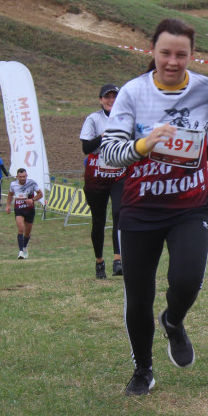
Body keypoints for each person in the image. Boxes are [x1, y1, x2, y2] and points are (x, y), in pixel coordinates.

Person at [100, 18, 208, 395]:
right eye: (165, 53)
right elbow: (109, 154)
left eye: (181, 54)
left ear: (192, 55)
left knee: (187, 279)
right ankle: (143, 370)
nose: (173, 61)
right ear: (153, 52)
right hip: (139, 210)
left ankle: (174, 321)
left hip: (189, 206)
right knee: (138, 296)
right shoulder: (132, 93)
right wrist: (144, 144)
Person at [81, 83, 127, 280]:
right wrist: (103, 136)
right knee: (98, 221)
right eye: (107, 97)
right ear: (101, 100)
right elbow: (86, 147)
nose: (111, 100)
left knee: (119, 212)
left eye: (114, 97)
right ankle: (99, 261)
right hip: (96, 176)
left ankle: (118, 260)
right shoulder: (93, 119)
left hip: (118, 175)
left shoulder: (126, 118)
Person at [5, 168, 43, 259]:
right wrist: (8, 205)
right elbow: (10, 194)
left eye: (24, 176)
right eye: (20, 177)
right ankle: (21, 251)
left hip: (30, 210)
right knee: (21, 228)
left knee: (27, 232)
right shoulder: (13, 184)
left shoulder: (32, 183)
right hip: (19, 210)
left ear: (27, 176)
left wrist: (32, 199)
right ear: (17, 177)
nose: (22, 178)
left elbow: (40, 194)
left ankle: (25, 246)